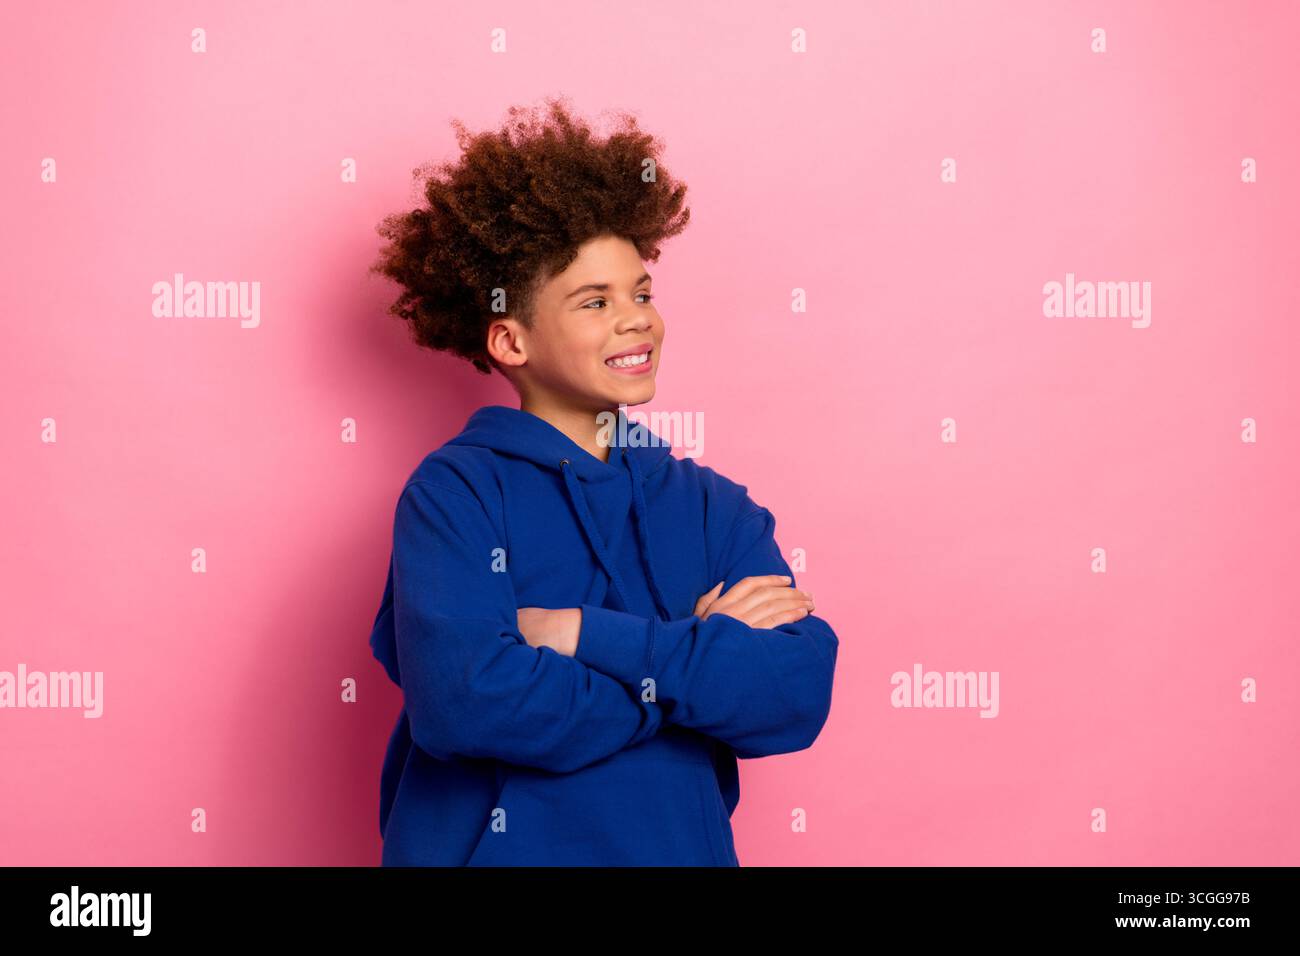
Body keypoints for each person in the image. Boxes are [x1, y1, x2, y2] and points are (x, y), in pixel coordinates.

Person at [366, 97, 839, 866]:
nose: (638, 321)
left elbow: (792, 695)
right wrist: (695, 661)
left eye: (642, 293)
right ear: (510, 338)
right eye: (595, 301)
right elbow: (465, 704)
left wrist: (579, 635)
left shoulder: (717, 508)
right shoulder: (454, 496)